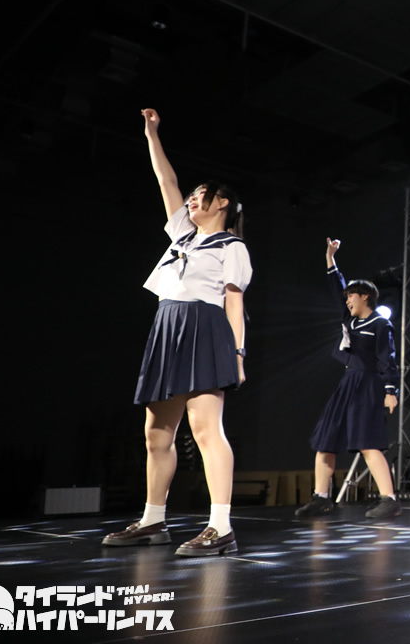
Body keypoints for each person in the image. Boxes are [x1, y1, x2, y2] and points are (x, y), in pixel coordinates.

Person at [102, 108, 251, 557]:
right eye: (191, 196)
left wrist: (238, 354)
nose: (191, 200)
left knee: (205, 430)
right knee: (156, 434)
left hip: (205, 328)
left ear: (222, 203)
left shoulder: (232, 246)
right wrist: (152, 134)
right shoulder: (182, 236)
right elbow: (166, 180)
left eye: (201, 195)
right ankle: (153, 521)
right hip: (167, 325)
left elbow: (234, 302)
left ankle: (221, 527)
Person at [295, 238, 402, 520]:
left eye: (351, 296)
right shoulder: (349, 320)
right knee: (325, 440)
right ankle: (321, 498)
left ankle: (389, 499)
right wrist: (330, 258)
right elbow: (336, 287)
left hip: (368, 385)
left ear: (365, 296)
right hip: (347, 384)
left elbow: (387, 359)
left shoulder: (380, 324)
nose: (347, 301)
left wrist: (390, 391)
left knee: (367, 442)